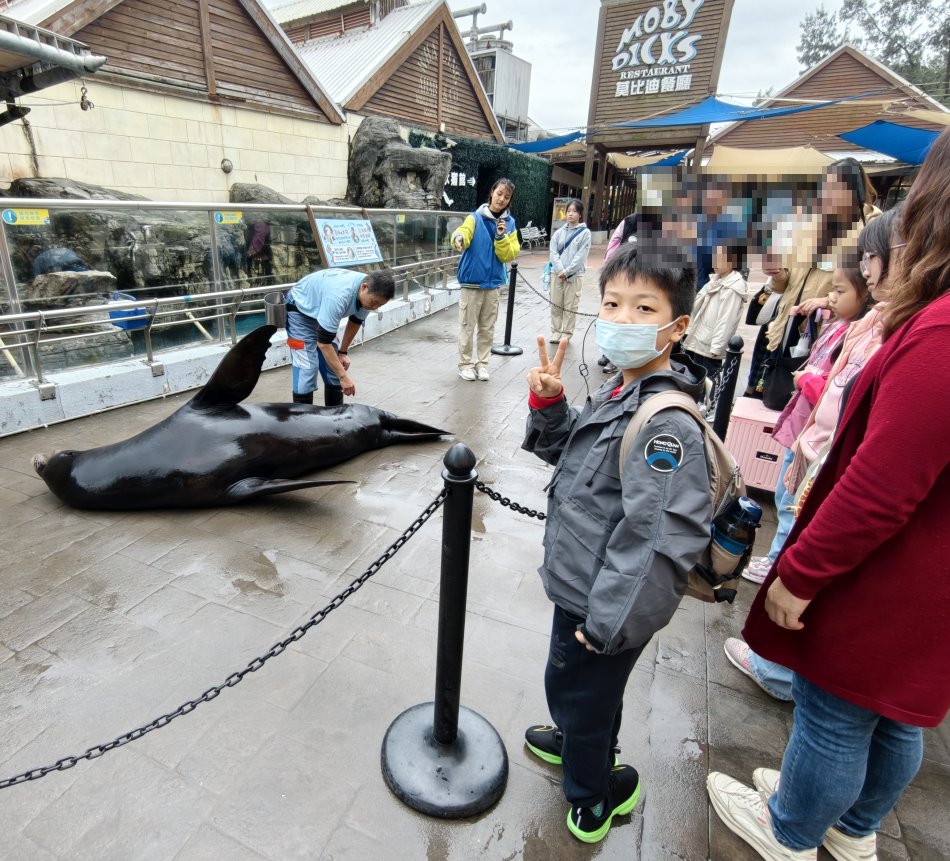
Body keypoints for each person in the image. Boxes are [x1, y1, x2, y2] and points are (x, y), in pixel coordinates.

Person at [707, 128, 950, 861]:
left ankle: (792, 827)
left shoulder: (938, 335)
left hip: (888, 573)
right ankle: (852, 824)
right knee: (896, 716)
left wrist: (802, 571)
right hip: (928, 579)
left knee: (837, 711)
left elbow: (881, 486)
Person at [521, 244, 712, 843]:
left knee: (585, 693)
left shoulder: (665, 425)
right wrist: (550, 404)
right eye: (612, 303)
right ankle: (583, 741)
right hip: (580, 584)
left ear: (676, 327)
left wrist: (609, 624)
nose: (622, 319)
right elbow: (574, 460)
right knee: (573, 688)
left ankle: (592, 794)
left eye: (643, 307)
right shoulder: (616, 388)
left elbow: (656, 540)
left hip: (605, 605)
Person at [285, 267, 395, 405]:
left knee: (335, 367)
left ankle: (335, 417)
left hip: (322, 312)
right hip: (300, 310)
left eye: (380, 304)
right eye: (374, 302)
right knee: (307, 367)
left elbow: (355, 321)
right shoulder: (339, 295)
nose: (375, 307)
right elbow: (324, 344)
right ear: (364, 287)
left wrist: (342, 352)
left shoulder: (368, 297)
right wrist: (344, 377)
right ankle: (301, 419)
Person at [452, 178, 520, 382]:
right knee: (467, 325)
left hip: (493, 285)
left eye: (506, 197)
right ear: (492, 192)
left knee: (487, 327)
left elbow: (510, 254)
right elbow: (463, 231)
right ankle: (465, 364)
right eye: (499, 194)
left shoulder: (510, 223)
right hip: (472, 283)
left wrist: (501, 237)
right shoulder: (475, 218)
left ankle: (482, 364)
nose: (501, 199)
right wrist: (458, 238)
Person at [682, 244, 749, 386]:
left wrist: (717, 347)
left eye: (721, 259)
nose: (716, 263)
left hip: (710, 343)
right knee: (694, 378)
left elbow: (726, 320)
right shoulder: (715, 280)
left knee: (708, 382)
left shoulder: (732, 287)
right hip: (699, 337)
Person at [547, 198, 592, 343]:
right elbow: (553, 252)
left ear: (580, 214)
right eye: (568, 211)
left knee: (570, 306)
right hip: (556, 274)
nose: (570, 214)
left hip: (575, 276)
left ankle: (566, 333)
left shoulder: (585, 233)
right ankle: (555, 331)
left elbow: (581, 256)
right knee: (555, 304)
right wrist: (560, 270)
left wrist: (567, 272)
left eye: (574, 211)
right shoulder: (559, 232)